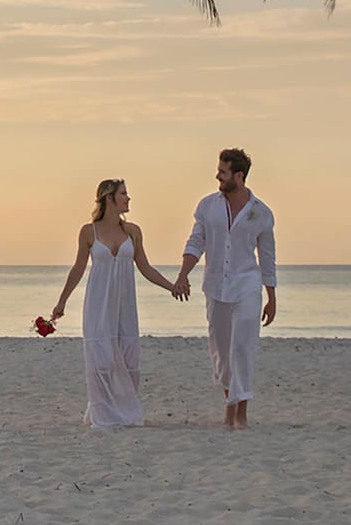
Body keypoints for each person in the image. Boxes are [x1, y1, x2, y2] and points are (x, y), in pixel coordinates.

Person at [48, 177, 183, 428]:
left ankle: (124, 410)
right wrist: (62, 302)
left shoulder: (132, 231)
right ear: (109, 198)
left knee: (130, 359)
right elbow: (78, 269)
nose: (128, 198)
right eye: (123, 194)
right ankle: (103, 413)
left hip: (124, 305)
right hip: (98, 304)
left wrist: (171, 287)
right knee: (102, 360)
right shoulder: (89, 232)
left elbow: (145, 267)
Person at [173, 147, 277, 428]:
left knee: (243, 346)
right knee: (222, 351)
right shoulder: (207, 206)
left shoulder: (261, 213)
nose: (217, 175)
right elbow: (196, 242)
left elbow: (267, 256)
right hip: (216, 286)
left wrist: (271, 296)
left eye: (223, 171)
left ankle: (238, 413)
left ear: (238, 176)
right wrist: (183, 274)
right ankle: (230, 401)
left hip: (248, 286)